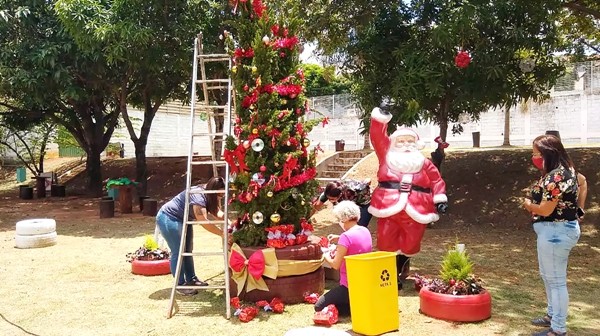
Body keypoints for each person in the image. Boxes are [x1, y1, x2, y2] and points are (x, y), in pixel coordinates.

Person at [368, 107, 448, 289]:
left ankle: (402, 263)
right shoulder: (386, 157)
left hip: (416, 209)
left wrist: (440, 199)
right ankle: (391, 275)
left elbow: (436, 180)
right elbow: (377, 136)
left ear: (416, 144)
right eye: (401, 141)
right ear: (393, 143)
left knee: (411, 243)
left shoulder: (424, 163)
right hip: (389, 207)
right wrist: (381, 117)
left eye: (409, 141)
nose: (405, 144)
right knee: (386, 241)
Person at [523, 134, 580, 336]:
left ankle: (557, 330)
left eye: (536, 153)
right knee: (548, 277)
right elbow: (582, 182)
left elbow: (546, 210)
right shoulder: (565, 171)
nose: (534, 157)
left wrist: (529, 205)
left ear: (548, 153)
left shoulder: (557, 175)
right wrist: (577, 211)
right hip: (554, 231)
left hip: (556, 232)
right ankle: (552, 315)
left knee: (556, 281)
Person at [156, 176, 228, 296]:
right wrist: (222, 234)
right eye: (219, 195)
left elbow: (217, 212)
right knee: (178, 251)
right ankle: (180, 284)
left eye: (222, 195)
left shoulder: (210, 193)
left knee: (188, 250)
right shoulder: (198, 196)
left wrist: (231, 224)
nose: (220, 198)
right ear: (213, 190)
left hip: (184, 219)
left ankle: (191, 279)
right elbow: (203, 221)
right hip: (169, 218)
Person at [314, 201, 372, 316]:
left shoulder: (346, 237)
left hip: (349, 286)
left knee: (318, 307)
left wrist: (324, 254)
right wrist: (339, 238)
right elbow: (355, 241)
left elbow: (335, 265)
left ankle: (352, 308)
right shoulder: (365, 230)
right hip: (364, 283)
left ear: (343, 219)